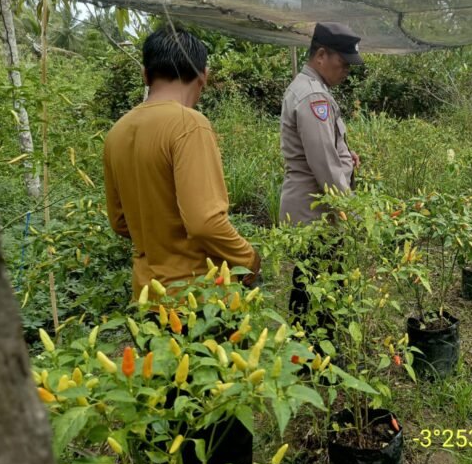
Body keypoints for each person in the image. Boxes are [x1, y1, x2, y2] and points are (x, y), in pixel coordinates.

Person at [103, 26, 260, 303]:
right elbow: (205, 223)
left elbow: (119, 222)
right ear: (204, 76)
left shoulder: (117, 132)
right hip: (199, 296)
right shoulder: (190, 124)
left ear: (145, 75)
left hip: (148, 296)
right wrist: (248, 257)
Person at [279, 22, 363, 323]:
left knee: (310, 284)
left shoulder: (311, 89)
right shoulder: (314, 97)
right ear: (321, 56)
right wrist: (353, 215)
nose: (346, 71)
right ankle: (315, 361)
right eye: (343, 64)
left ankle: (307, 356)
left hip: (312, 209)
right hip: (316, 213)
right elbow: (325, 167)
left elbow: (323, 152)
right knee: (317, 291)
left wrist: (346, 157)